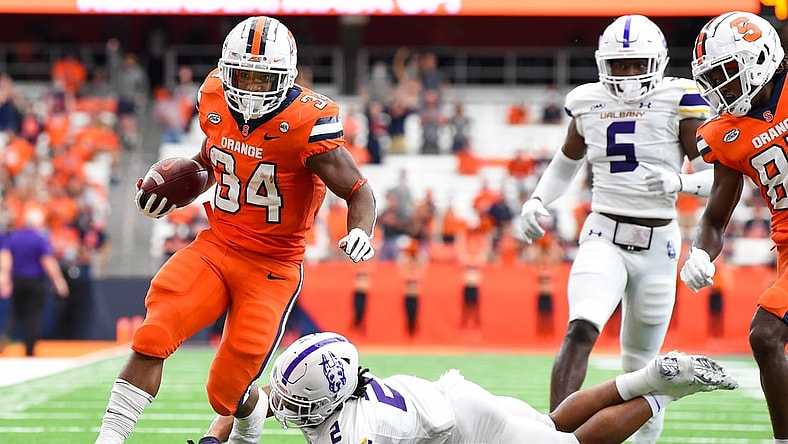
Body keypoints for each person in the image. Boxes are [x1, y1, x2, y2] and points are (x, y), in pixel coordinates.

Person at [93, 16, 377, 444]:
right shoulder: (213, 96)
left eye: (262, 78)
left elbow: (358, 191)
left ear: (285, 78)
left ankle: (251, 414)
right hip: (217, 244)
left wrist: (361, 231)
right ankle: (109, 439)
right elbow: (213, 161)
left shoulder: (305, 123)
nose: (249, 88)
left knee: (225, 390)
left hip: (272, 266)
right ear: (225, 71)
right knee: (153, 333)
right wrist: (179, 187)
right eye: (241, 75)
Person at [518, 15, 713, 443]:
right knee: (581, 327)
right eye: (618, 64)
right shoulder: (587, 101)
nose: (626, 73)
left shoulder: (678, 100)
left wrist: (680, 181)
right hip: (603, 232)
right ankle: (554, 433)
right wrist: (537, 199)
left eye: (635, 63)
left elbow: (715, 178)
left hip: (659, 242)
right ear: (603, 63)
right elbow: (566, 162)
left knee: (641, 365)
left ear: (657, 61)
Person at [195, 331, 738, 444]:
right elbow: (248, 397)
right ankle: (648, 378)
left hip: (469, 428)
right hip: (455, 401)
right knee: (551, 424)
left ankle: (664, 390)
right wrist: (222, 440)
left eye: (297, 402)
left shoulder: (356, 433)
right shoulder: (338, 402)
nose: (287, 408)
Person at [680, 11, 788, 443]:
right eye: (713, 77)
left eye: (727, 71)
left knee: (766, 334)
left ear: (761, 57)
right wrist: (700, 252)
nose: (721, 87)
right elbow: (713, 218)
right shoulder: (726, 133)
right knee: (766, 337)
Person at [0, 207, 69, 356]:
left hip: (17, 279)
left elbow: (5, 257)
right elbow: (47, 261)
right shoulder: (39, 239)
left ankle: (5, 336)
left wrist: (5, 277)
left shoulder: (14, 237)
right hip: (35, 282)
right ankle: (29, 347)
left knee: (15, 312)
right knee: (34, 315)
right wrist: (58, 280)